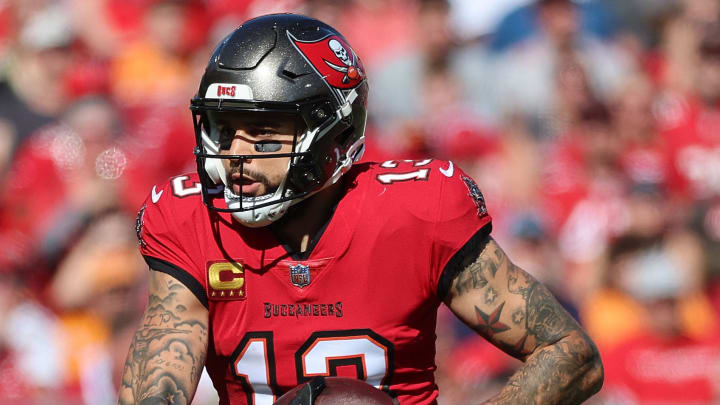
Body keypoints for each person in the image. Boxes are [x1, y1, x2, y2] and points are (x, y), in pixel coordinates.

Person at [118, 13, 603, 405]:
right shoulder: (192, 219)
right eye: (225, 130)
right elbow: (155, 387)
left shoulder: (414, 211)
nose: (236, 155)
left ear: (337, 136)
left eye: (264, 133)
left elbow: (569, 353)